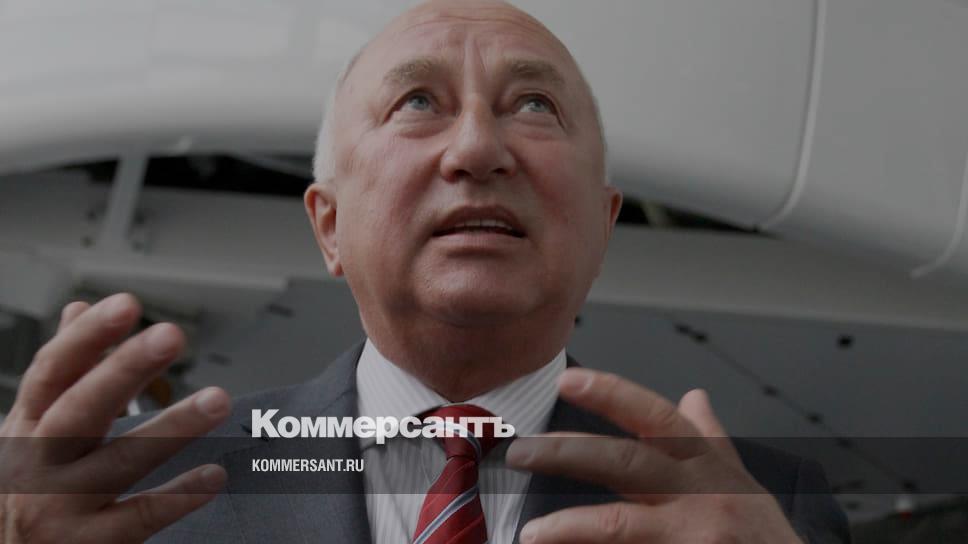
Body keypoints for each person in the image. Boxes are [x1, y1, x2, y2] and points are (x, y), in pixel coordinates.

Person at [0, 0, 851, 542]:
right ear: (329, 226)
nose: (478, 148)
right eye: (418, 103)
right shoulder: (135, 497)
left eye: (534, 105)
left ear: (603, 225)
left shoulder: (765, 510)